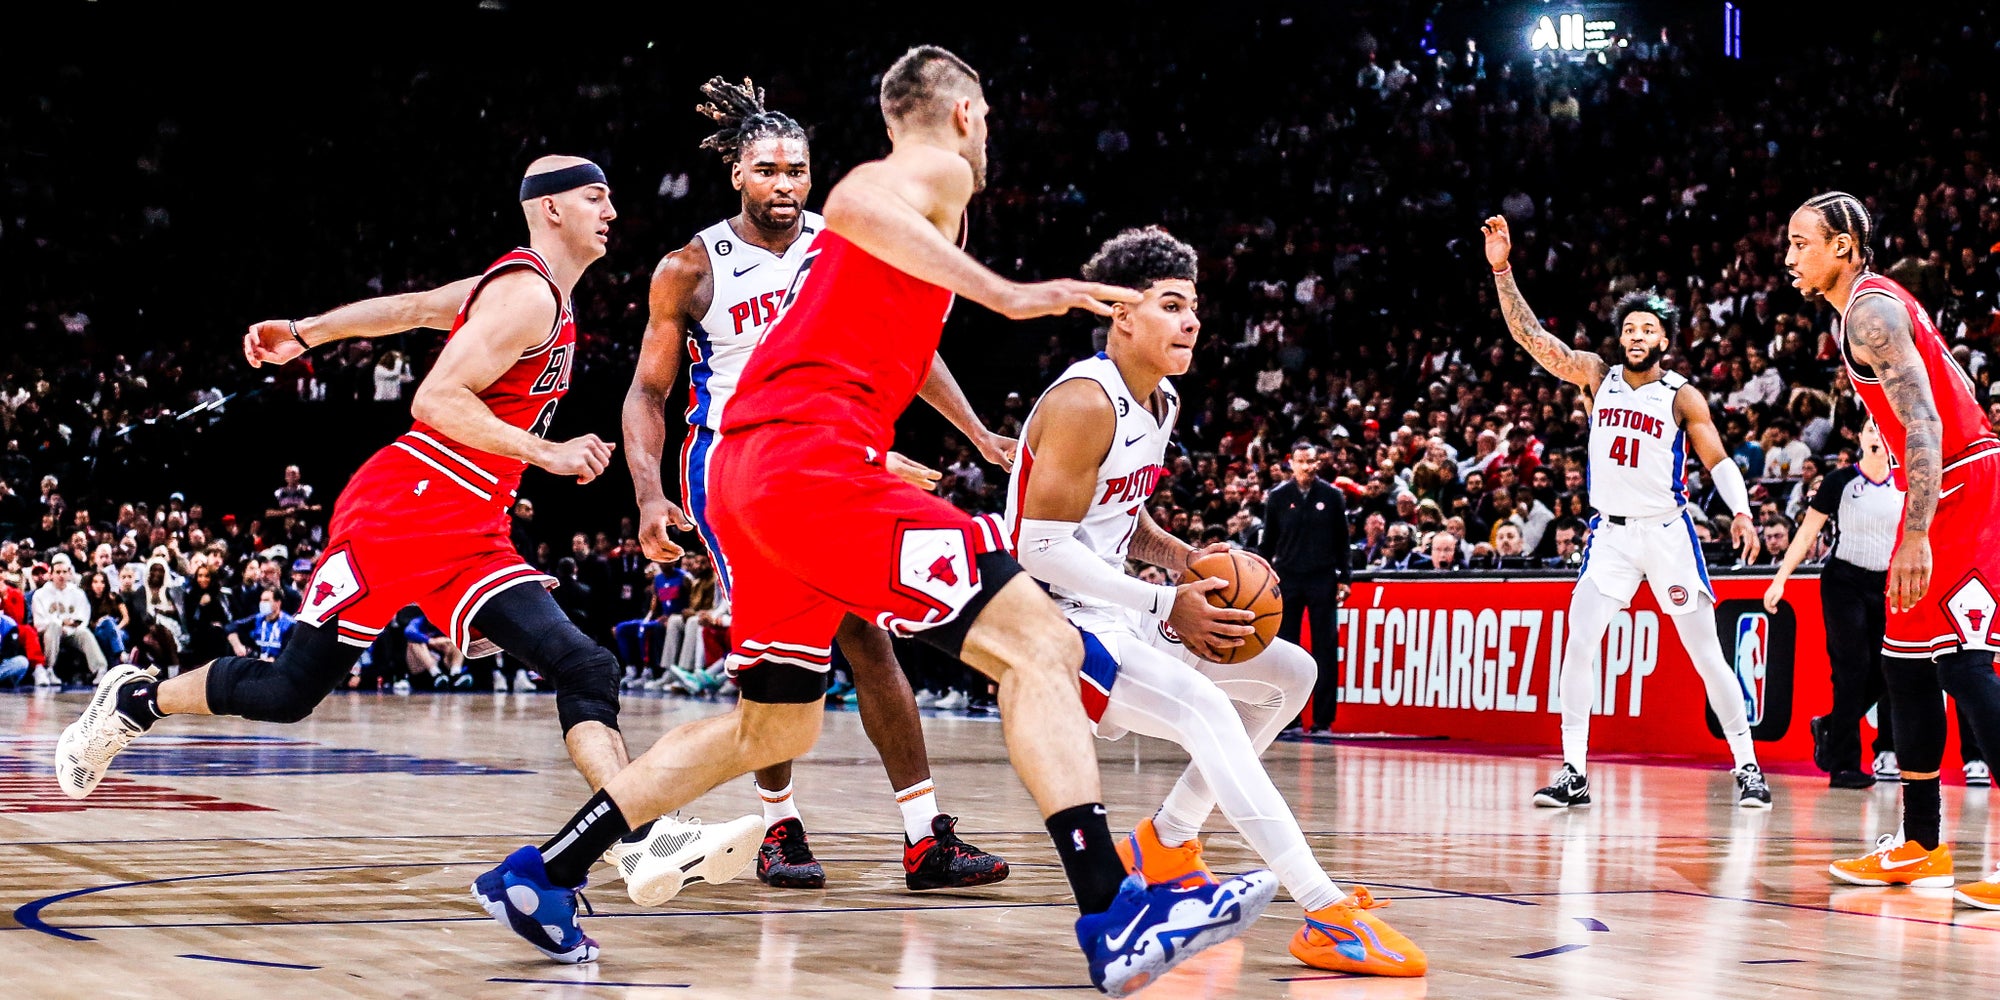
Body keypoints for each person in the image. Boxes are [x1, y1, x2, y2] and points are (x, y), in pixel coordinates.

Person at [469, 49, 1276, 993]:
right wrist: (1016, 296)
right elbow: (856, 199)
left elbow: (896, 315)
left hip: (751, 477)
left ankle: (543, 872)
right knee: (1039, 646)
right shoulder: (925, 171)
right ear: (965, 114)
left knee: (769, 729)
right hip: (810, 467)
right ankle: (1112, 911)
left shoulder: (903, 234)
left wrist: (973, 426)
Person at [55, 157, 756, 909]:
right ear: (550, 210)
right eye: (596, 196)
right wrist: (546, 452)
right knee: (290, 691)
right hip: (403, 510)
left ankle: (635, 835)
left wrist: (306, 331)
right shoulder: (525, 294)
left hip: (470, 528)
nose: (612, 208)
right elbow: (434, 398)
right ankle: (138, 698)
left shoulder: (528, 289)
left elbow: (418, 307)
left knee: (585, 666)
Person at [616, 77, 1009, 890]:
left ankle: (922, 835)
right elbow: (648, 393)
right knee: (791, 656)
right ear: (738, 176)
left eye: (797, 169)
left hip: (826, 460)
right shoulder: (690, 267)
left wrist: (974, 431)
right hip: (734, 468)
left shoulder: (845, 241)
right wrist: (651, 496)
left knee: (869, 634)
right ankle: (781, 826)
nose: (785, 185)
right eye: (768, 171)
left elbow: (909, 343)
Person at [1002, 231, 1424, 975]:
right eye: (1171, 306)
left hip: (1119, 611)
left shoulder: (1157, 400)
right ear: (1121, 317)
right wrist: (1163, 605)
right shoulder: (1082, 400)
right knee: (1208, 711)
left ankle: (1167, 837)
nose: (1192, 321)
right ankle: (1324, 913)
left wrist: (1183, 560)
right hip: (1049, 627)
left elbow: (1122, 521)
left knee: (1293, 674)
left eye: (1193, 306)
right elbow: (1037, 548)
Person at [1483, 216, 1772, 811]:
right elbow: (1531, 337)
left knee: (1706, 655)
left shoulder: (1682, 394)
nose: (1637, 335)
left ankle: (1747, 765)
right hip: (1609, 537)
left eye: (1649, 328)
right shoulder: (1596, 374)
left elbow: (1717, 459)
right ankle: (1573, 772)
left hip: (1666, 533)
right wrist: (1501, 269)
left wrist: (1741, 513)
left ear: (1665, 340)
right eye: (1630, 327)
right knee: (1578, 645)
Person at [1783, 192, 2000, 908]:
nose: (1790, 258)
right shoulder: (1870, 308)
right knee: (1902, 662)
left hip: (1961, 483)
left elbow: (1929, 419)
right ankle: (1921, 844)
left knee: (1964, 663)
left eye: (1802, 243)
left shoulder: (1871, 314)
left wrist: (1914, 530)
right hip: (1935, 482)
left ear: (1844, 246)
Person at [1766, 419, 1901, 788]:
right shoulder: (1840, 482)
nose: (1877, 434)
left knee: (1888, 670)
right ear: (1860, 437)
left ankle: (1830, 725)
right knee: (1851, 669)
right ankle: (1844, 766)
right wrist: (1781, 578)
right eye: (1871, 428)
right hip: (1844, 581)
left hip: (1887, 585)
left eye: (1882, 429)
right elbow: (1808, 531)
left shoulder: (1906, 483)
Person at [1259, 443, 1351, 734]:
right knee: (1286, 649)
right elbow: (1268, 543)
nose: (1307, 466)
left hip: (1322, 576)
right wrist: (1261, 579)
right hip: (1287, 577)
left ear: (1317, 463)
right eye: (1302, 461)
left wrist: (1345, 578)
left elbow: (1343, 541)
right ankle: (1289, 719)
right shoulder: (1277, 497)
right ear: (1292, 463)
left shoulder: (1333, 496)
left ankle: (1323, 720)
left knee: (1325, 646)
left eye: (1312, 461)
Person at [34, 555, 105, 685]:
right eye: (58, 572)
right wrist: (61, 623)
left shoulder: (78, 593)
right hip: (50, 633)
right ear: (51, 574)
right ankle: (49, 669)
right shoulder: (40, 594)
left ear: (69, 573)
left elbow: (83, 617)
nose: (61, 575)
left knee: (85, 633)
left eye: (64, 572)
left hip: (73, 631)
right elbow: (39, 623)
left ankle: (100, 669)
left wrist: (70, 626)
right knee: (54, 626)